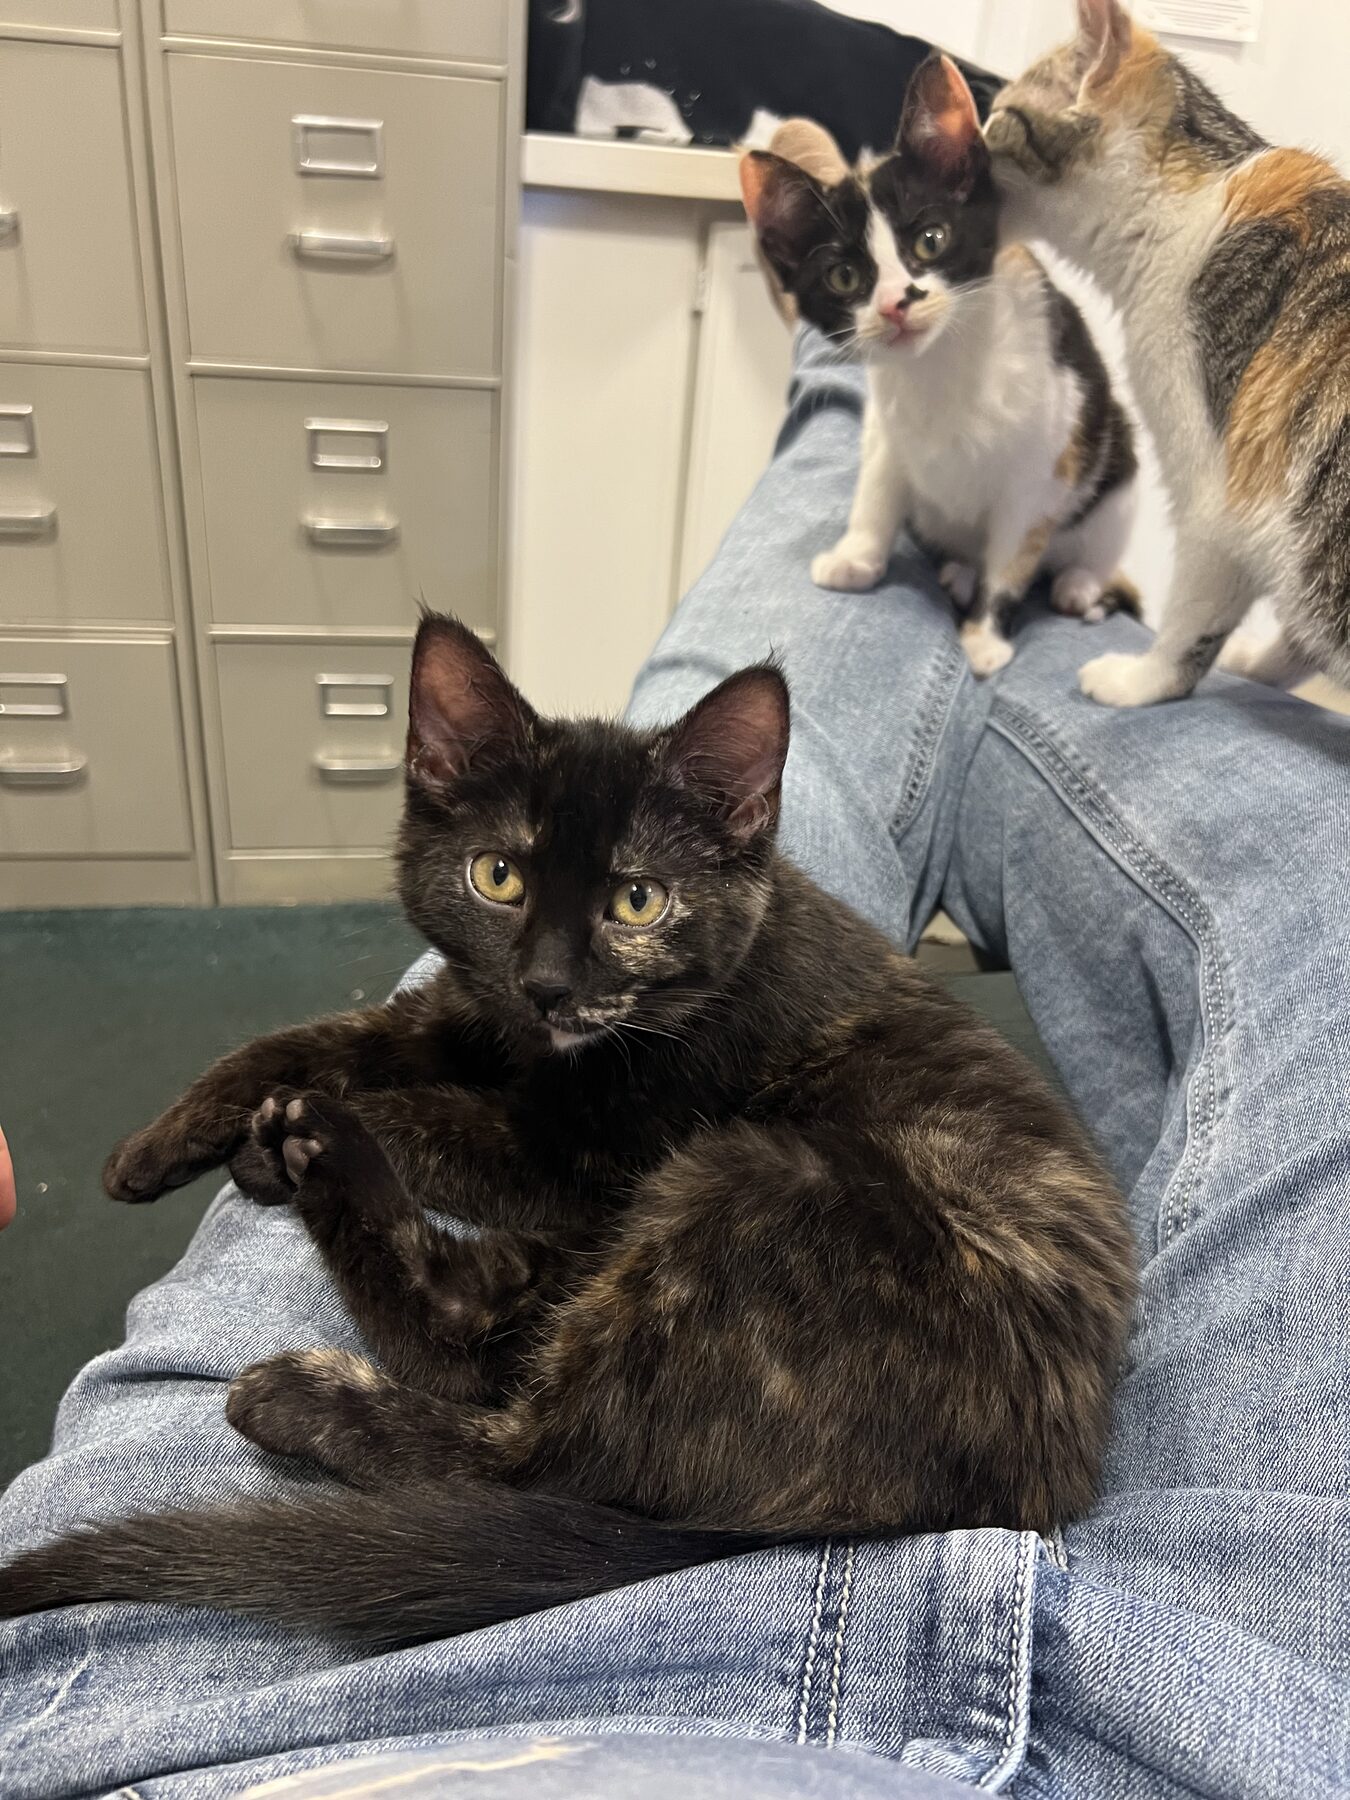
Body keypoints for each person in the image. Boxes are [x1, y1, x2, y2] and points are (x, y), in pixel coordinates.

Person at [1, 329, 1347, 1800]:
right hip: (1085, 1621)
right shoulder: (646, 933)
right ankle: (930, 519)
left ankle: (858, 426)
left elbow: (548, 1164)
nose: (559, 965)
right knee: (1286, 888)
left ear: (733, 844)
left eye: (631, 902)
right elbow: (503, 1089)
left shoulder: (718, 1000)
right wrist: (312, 1104)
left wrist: (351, 1129)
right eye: (515, 889)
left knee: (704, 1154)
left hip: (909, 1358)